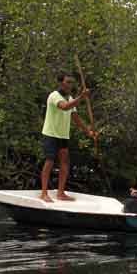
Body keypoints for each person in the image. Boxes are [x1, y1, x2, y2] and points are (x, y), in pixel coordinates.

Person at [40, 71, 98, 203]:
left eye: (71, 83)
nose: (69, 85)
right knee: (49, 161)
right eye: (67, 82)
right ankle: (44, 193)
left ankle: (60, 193)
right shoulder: (54, 96)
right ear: (60, 83)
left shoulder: (71, 98)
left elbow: (76, 118)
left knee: (65, 162)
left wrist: (88, 132)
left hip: (63, 135)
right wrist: (82, 97)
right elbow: (65, 107)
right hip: (51, 134)